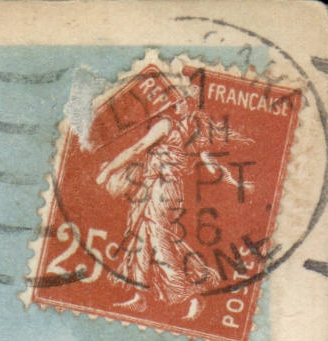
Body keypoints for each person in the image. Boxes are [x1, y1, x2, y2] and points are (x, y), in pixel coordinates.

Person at [93, 92, 251, 320]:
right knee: (142, 237)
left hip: (160, 188)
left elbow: (138, 148)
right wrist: (235, 181)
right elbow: (211, 165)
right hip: (166, 189)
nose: (175, 103)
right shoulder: (194, 132)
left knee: (160, 241)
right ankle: (139, 296)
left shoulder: (166, 124)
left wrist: (108, 170)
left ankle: (192, 295)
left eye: (180, 100)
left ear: (190, 103)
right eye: (175, 100)